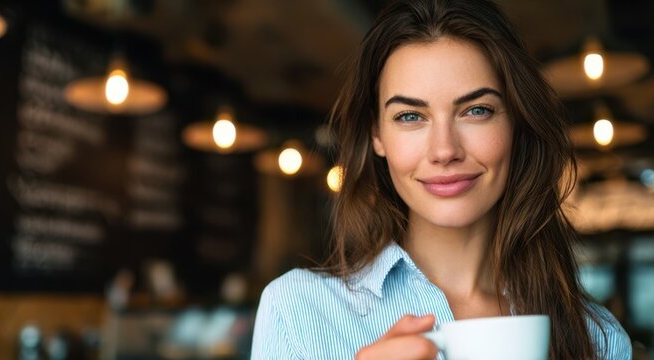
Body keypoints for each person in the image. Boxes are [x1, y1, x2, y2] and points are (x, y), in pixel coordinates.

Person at [250, 0, 632, 359]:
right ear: (377, 136)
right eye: (410, 117)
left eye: (476, 110)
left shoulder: (598, 337)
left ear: (517, 121)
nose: (445, 150)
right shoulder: (297, 310)